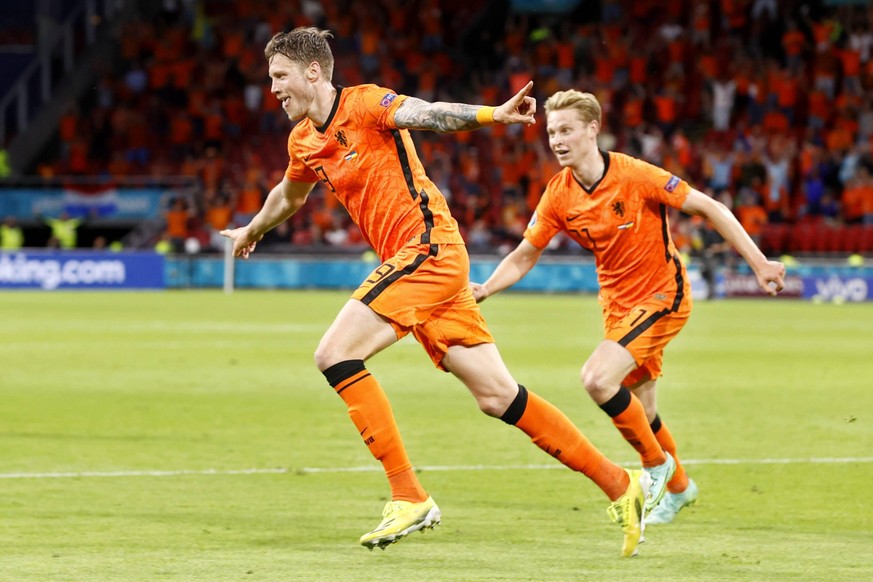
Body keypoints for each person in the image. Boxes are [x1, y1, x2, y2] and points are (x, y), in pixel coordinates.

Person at [221, 27, 650, 557]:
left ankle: (409, 495)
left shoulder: (366, 104)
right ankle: (621, 484)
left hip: (428, 249)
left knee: (335, 354)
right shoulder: (304, 141)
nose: (273, 89)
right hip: (421, 269)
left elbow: (429, 113)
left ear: (313, 72)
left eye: (279, 77)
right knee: (498, 396)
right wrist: (251, 230)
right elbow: (287, 195)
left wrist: (494, 114)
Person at [471, 90, 786, 525]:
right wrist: (486, 288)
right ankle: (679, 489)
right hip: (618, 307)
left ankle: (656, 467)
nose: (557, 140)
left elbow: (709, 207)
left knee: (597, 379)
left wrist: (759, 263)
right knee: (644, 408)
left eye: (566, 130)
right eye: (551, 132)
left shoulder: (635, 175)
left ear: (592, 130)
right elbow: (526, 253)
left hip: (663, 295)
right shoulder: (558, 195)